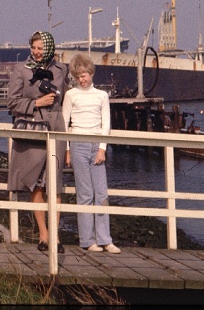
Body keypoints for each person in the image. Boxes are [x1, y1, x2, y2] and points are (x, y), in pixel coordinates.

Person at [7, 31, 69, 253]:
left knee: (55, 184)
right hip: (34, 128)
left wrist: (68, 142)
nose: (36, 52)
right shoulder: (21, 71)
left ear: (50, 48)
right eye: (33, 48)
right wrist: (36, 103)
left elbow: (67, 102)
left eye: (41, 48)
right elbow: (12, 103)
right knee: (36, 182)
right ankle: (43, 234)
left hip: (56, 128)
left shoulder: (62, 70)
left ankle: (56, 236)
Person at [63, 54, 121, 254]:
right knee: (85, 194)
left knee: (101, 193)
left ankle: (105, 239)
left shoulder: (101, 96)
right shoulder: (70, 95)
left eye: (84, 75)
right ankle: (87, 240)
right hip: (78, 144)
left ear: (91, 73)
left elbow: (106, 124)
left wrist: (103, 148)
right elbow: (65, 124)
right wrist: (67, 150)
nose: (82, 79)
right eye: (78, 76)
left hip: (96, 145)